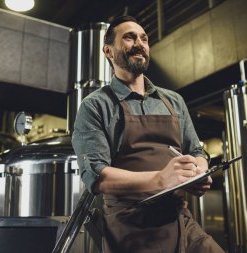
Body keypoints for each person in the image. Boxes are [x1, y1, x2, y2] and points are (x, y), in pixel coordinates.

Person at [72, 15, 224, 253]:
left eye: (144, 38)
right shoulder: (95, 105)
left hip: (178, 219)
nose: (139, 43)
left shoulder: (173, 100)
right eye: (129, 38)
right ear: (108, 51)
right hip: (130, 227)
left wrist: (197, 171)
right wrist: (161, 179)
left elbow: (195, 151)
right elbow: (97, 176)